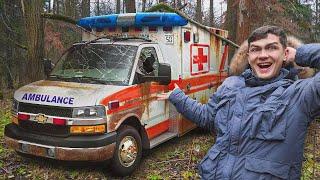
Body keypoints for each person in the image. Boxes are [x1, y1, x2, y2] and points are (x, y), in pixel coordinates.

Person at [157, 25, 320, 179]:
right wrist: (177, 97)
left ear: (285, 54)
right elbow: (207, 117)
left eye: (271, 47)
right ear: (248, 57)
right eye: (255, 49)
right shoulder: (231, 85)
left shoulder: (301, 95)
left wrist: (300, 54)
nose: (263, 55)